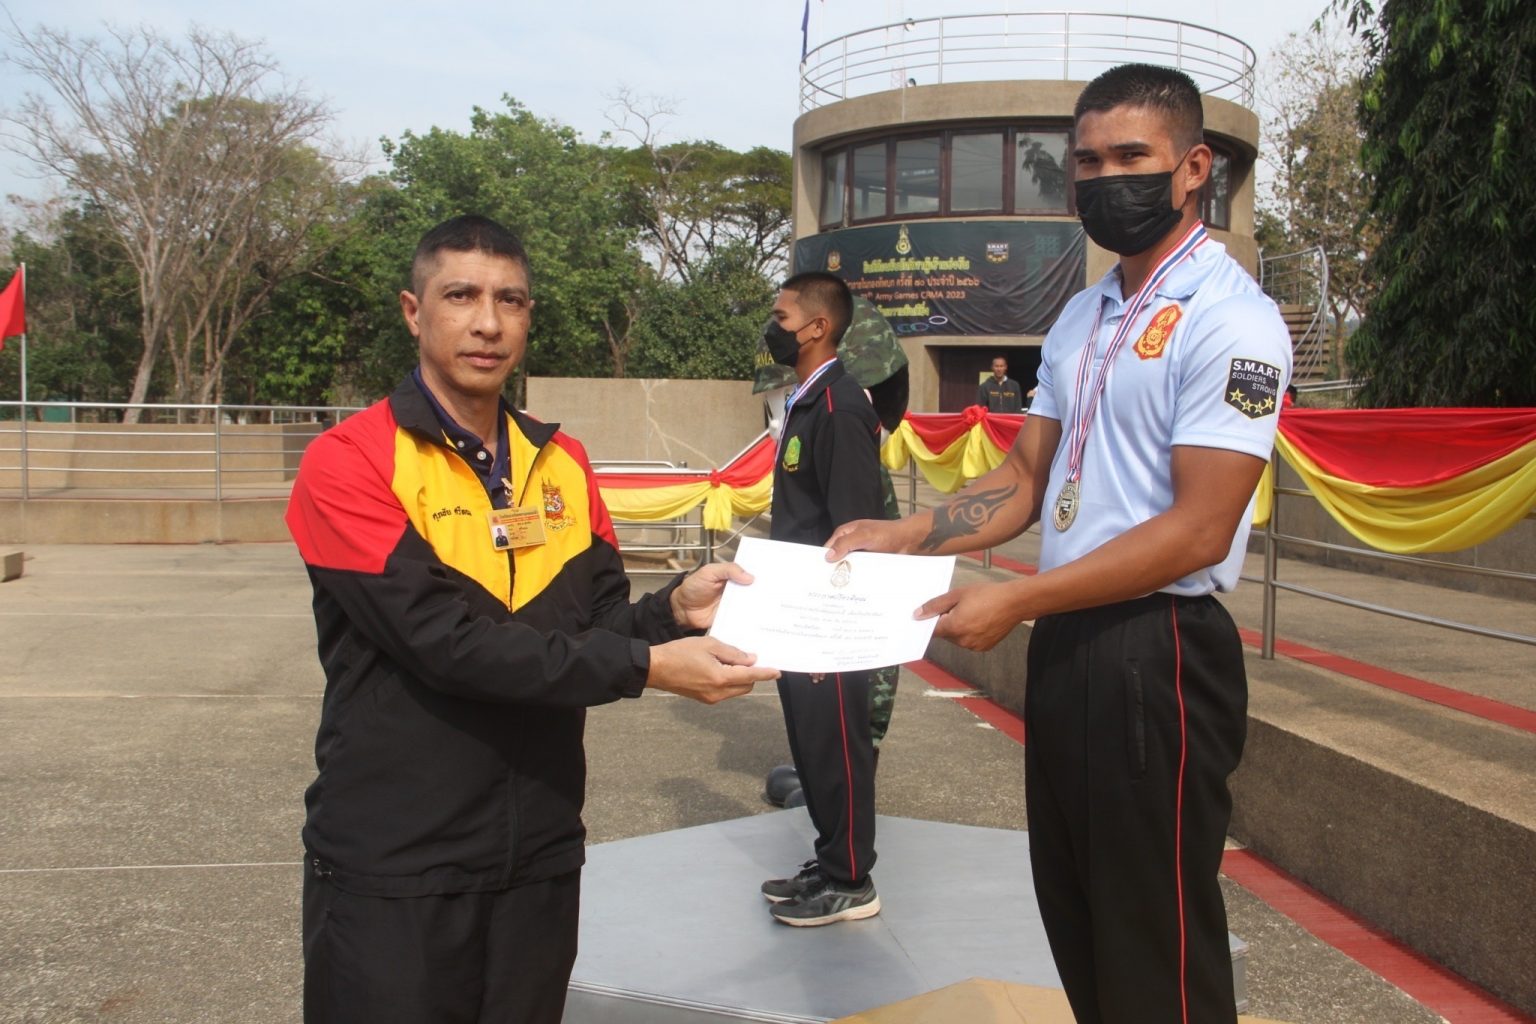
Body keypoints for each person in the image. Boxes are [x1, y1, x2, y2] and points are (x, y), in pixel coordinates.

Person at [827, 64, 1291, 1024]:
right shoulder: (1085, 313)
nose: (1106, 178)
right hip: (1072, 641)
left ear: (1193, 167)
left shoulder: (1232, 318)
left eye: (1132, 156)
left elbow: (1201, 528)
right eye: (1087, 162)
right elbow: (1027, 475)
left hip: (1158, 651)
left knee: (1153, 937)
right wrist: (905, 533)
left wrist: (1018, 599)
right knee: (1077, 912)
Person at [285, 215, 779, 1024]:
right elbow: (447, 646)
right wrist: (648, 668)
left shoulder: (563, 463)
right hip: (397, 862)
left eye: (509, 300)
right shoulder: (351, 461)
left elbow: (596, 621)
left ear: (528, 316)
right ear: (414, 311)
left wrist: (670, 613)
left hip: (538, 854)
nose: (487, 323)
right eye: (461, 296)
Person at [757, 271, 887, 927]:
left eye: (781, 318)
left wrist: (831, 627)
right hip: (797, 607)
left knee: (838, 745)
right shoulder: (808, 401)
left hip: (826, 615)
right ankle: (831, 856)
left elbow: (855, 526)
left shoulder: (839, 407)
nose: (772, 328)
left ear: (817, 327)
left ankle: (852, 879)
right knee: (811, 743)